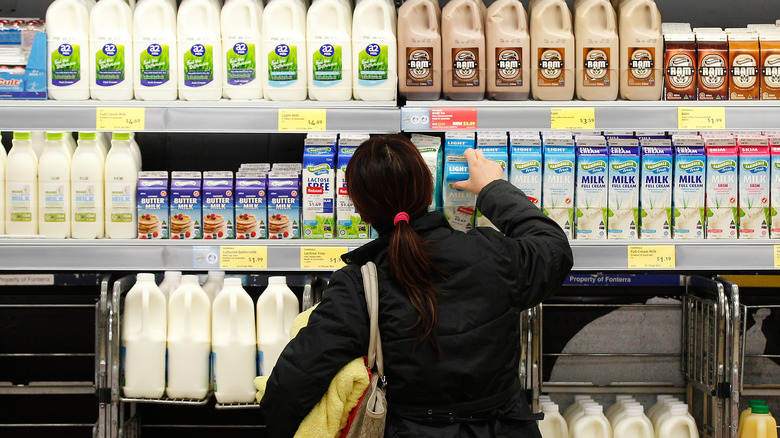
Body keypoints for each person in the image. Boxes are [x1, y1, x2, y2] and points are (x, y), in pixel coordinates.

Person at [259, 134, 574, 437]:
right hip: (504, 427)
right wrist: (492, 188)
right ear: (430, 187)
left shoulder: (360, 285)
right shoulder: (493, 254)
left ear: (359, 210)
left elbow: (292, 384)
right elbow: (553, 249)